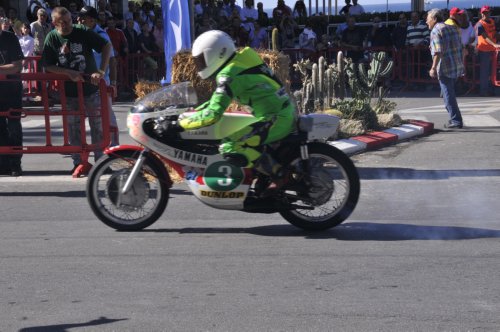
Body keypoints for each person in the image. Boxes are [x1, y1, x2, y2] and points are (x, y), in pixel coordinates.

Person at [156, 30, 296, 192]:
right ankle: (262, 176)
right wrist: (186, 112)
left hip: (276, 118)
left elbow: (213, 114)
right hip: (275, 113)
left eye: (202, 60)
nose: (200, 65)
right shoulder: (239, 61)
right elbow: (214, 102)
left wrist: (178, 125)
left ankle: (279, 175)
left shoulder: (229, 74)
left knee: (231, 146)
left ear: (216, 54)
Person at [41, 6, 112, 173]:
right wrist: (67, 72)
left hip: (91, 89)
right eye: (62, 22)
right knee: (73, 127)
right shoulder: (52, 38)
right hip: (70, 93)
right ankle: (79, 161)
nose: (67, 25)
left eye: (69, 21)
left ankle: (101, 161)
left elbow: (106, 46)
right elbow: (47, 65)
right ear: (54, 23)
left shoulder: (82, 31)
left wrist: (100, 71)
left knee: (97, 125)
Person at [79, 5, 119, 147]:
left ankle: (115, 149)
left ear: (91, 20)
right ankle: (93, 149)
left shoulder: (102, 35)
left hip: (102, 84)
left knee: (107, 118)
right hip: (83, 84)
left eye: (83, 19)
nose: (80, 21)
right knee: (88, 119)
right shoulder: (79, 34)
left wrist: (113, 83)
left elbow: (112, 61)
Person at [427, 8, 464, 129]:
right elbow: (460, 47)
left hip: (445, 68)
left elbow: (438, 52)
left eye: (428, 19)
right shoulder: (452, 28)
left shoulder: (436, 31)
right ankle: (454, 118)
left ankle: (456, 120)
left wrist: (433, 68)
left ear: (434, 19)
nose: (427, 21)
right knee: (447, 93)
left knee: (448, 95)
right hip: (456, 66)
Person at [0, 22, 24, 176]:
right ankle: (3, 164)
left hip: (12, 90)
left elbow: (17, 66)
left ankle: (15, 164)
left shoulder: (10, 38)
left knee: (14, 127)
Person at [474, 5, 500, 97]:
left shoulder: (492, 21)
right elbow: (485, 36)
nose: (486, 14)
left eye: (487, 12)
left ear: (490, 13)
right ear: (481, 14)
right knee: (485, 71)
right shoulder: (479, 24)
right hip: (484, 50)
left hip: (493, 49)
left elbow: (495, 33)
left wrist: (497, 41)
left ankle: (491, 89)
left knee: (492, 71)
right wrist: (494, 44)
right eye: (484, 13)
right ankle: (483, 91)